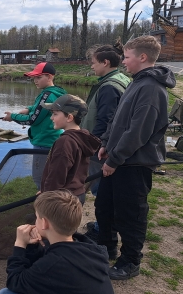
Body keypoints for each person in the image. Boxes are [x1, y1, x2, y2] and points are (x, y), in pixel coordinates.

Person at [0, 190, 116, 294]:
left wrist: (19, 245)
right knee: (41, 291)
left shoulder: (56, 263)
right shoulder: (84, 247)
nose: (34, 220)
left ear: (44, 223)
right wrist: (32, 246)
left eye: (36, 217)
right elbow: (36, 275)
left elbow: (15, 282)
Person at [95, 35, 176, 280]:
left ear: (142, 57)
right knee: (104, 207)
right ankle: (105, 247)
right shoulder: (136, 81)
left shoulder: (152, 89)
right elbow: (119, 117)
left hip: (134, 163)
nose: (123, 62)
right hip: (118, 157)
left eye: (127, 57)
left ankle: (130, 261)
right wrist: (106, 143)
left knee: (130, 214)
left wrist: (114, 159)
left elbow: (138, 132)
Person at [80, 42, 131, 240]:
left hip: (100, 148)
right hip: (107, 146)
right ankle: (104, 226)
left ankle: (104, 232)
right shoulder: (120, 79)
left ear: (106, 62)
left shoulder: (109, 87)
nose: (92, 66)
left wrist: (93, 144)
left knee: (101, 191)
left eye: (94, 63)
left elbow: (106, 120)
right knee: (104, 189)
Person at [3, 62, 67, 189]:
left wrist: (13, 117)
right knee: (50, 176)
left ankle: (46, 205)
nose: (35, 81)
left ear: (49, 77)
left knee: (40, 178)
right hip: (53, 139)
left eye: (39, 77)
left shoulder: (46, 95)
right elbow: (42, 109)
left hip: (44, 142)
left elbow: (32, 120)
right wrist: (29, 108)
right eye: (34, 78)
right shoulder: (57, 92)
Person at [39, 94, 101, 204]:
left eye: (55, 114)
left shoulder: (65, 142)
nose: (51, 118)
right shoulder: (82, 137)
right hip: (77, 195)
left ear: (69, 117)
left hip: (61, 200)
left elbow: (56, 175)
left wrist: (46, 195)